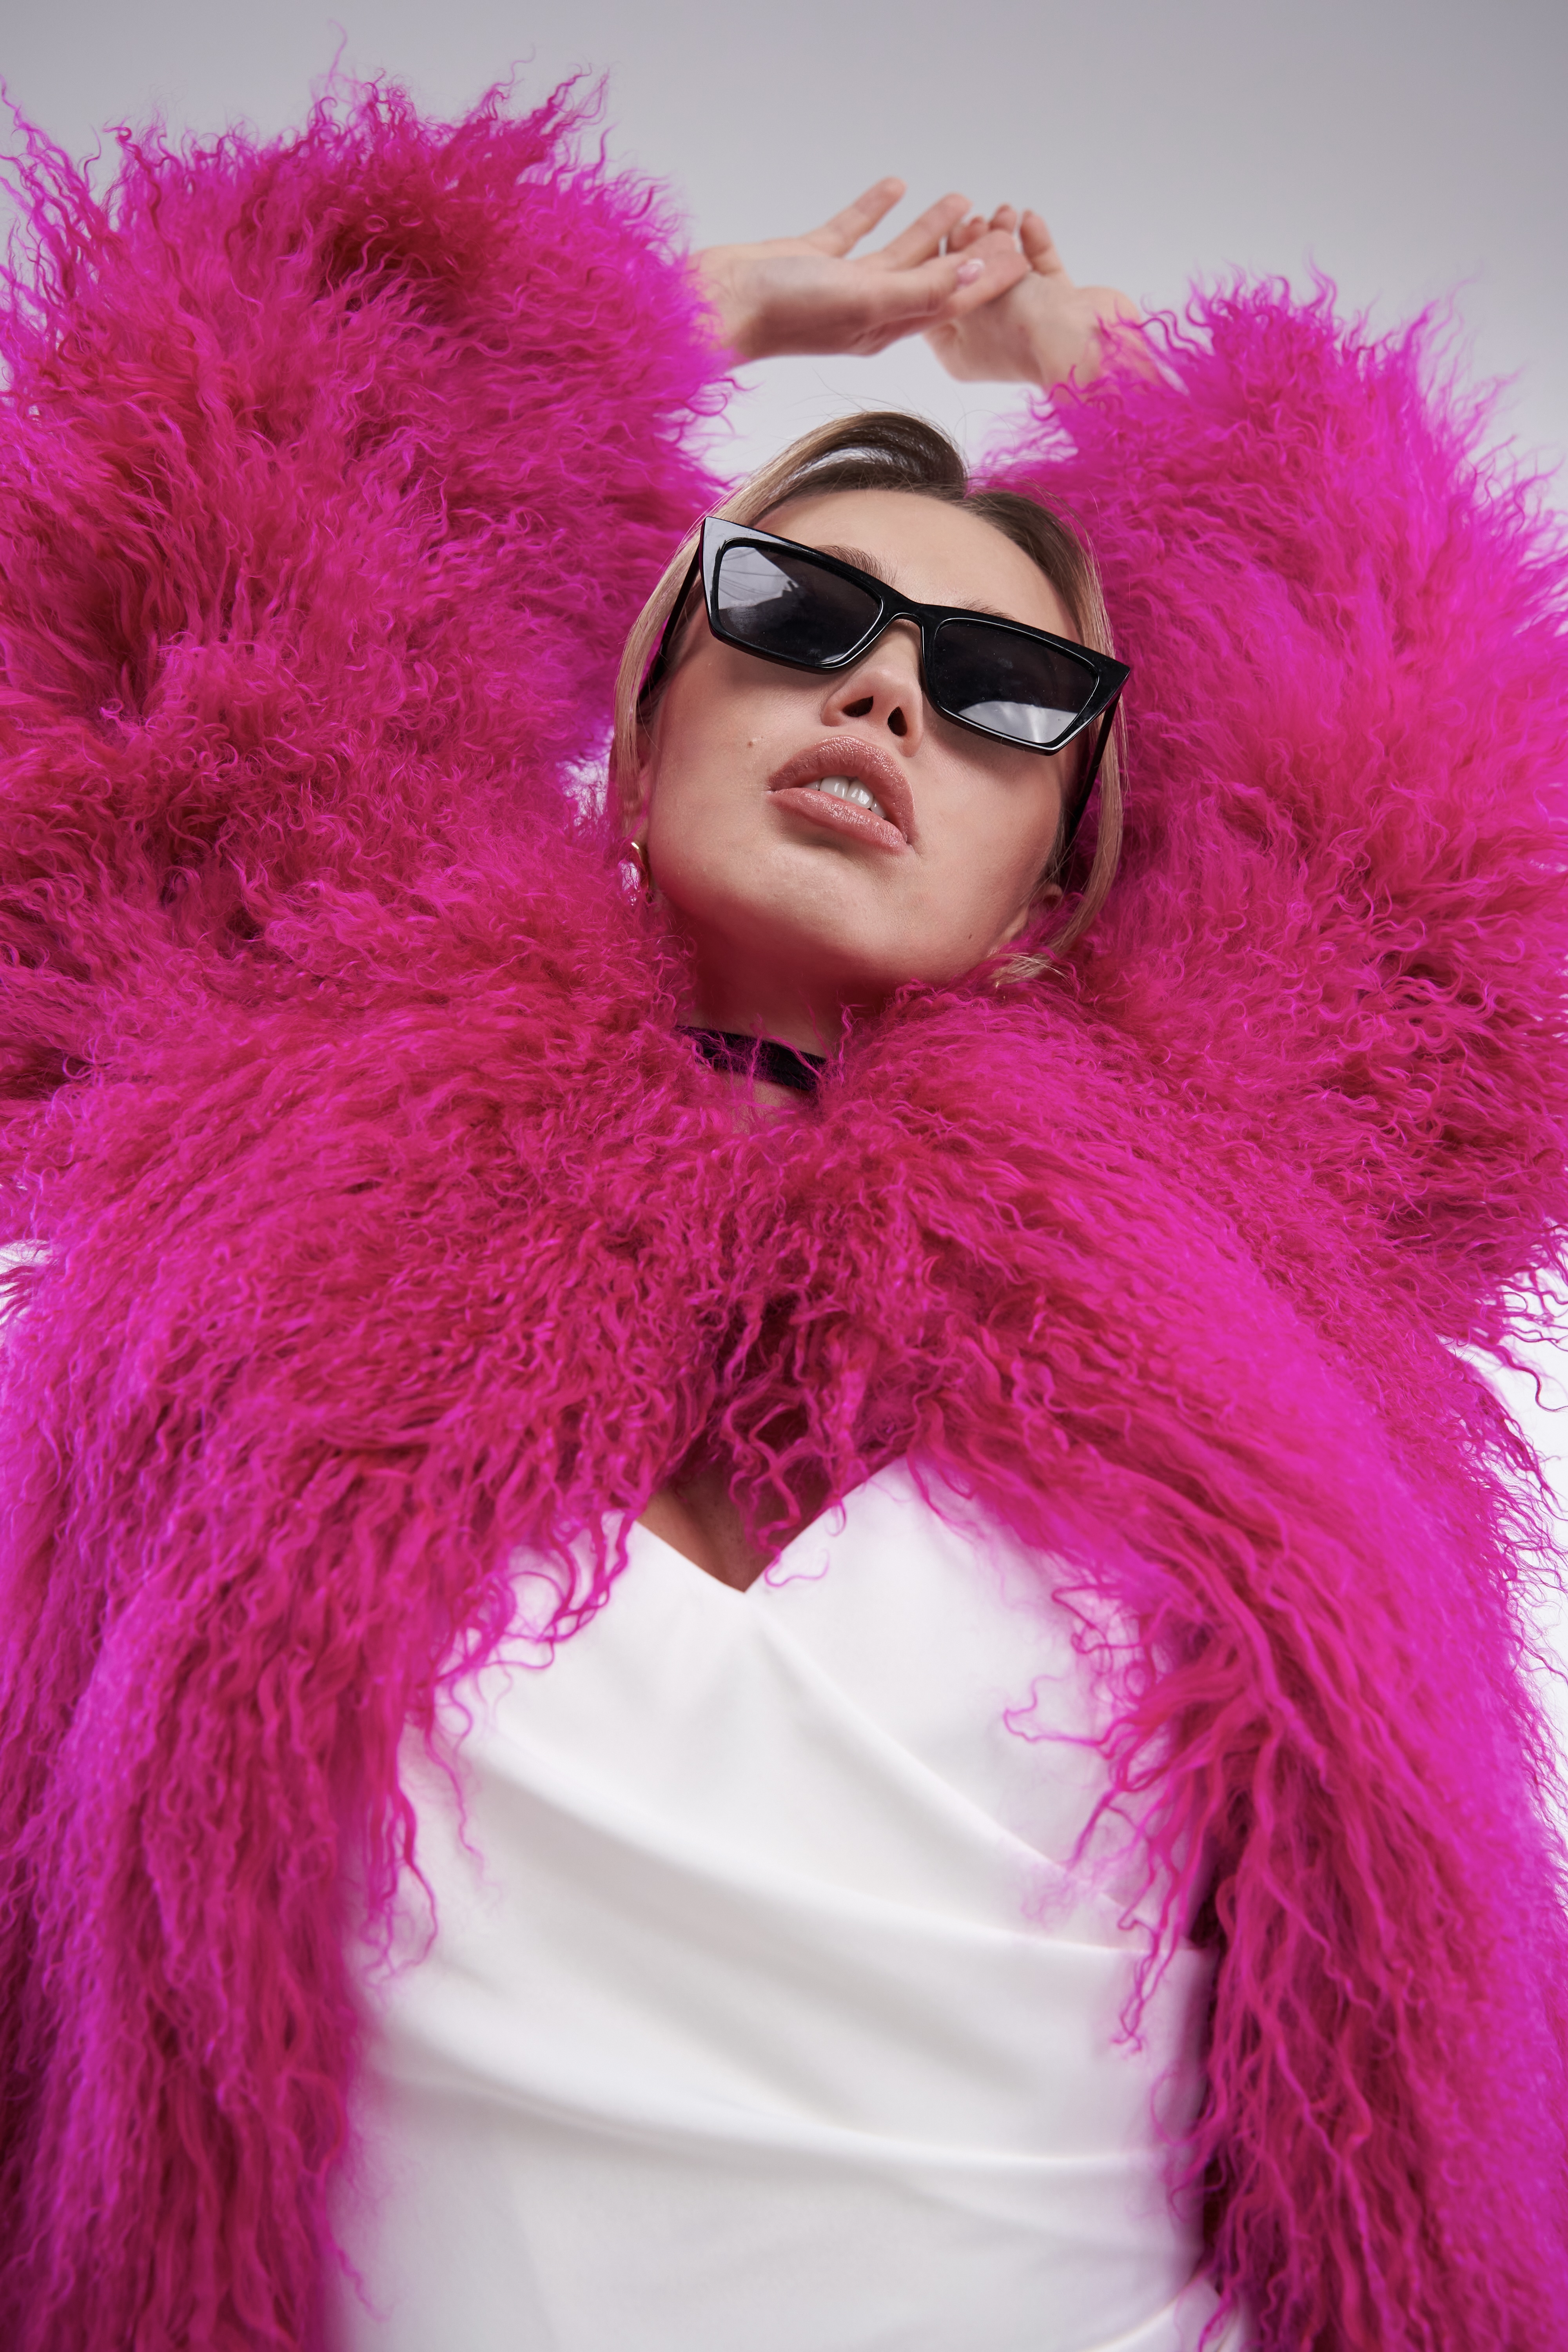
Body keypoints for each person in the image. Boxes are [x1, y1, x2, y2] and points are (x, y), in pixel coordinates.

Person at [1, 76, 1566, 2352]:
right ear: (641, 735)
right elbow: (190, 538)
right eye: (797, 605)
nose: (891, 687)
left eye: (1009, 690)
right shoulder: (287, 1097)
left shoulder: (1240, 1232)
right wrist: (671, 309)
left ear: (1060, 880)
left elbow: (1442, 812)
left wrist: (1132, 384)